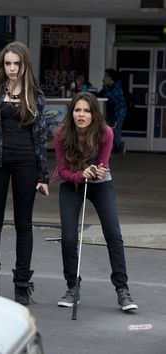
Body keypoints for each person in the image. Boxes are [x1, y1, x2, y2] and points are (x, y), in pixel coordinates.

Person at [0, 41, 49, 306]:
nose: (12, 68)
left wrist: (43, 176)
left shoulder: (35, 95)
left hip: (26, 165)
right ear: (2, 65)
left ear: (25, 64)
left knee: (23, 224)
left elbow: (41, 138)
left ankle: (21, 285)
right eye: (8, 63)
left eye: (17, 63)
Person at [53, 92, 138, 312]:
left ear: (94, 114)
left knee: (113, 233)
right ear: (72, 112)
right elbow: (62, 170)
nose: (81, 115)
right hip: (72, 182)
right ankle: (73, 286)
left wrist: (94, 172)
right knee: (69, 237)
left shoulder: (105, 132)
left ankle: (122, 289)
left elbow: (103, 165)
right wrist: (81, 175)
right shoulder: (62, 133)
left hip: (100, 183)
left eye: (86, 111)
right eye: (77, 110)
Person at [98, 68, 127, 154]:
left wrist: (105, 87)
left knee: (116, 129)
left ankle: (118, 147)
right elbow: (100, 94)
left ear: (111, 78)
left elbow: (112, 97)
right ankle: (117, 145)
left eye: (106, 76)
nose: (104, 78)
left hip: (119, 112)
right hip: (111, 112)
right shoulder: (107, 87)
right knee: (110, 129)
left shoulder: (117, 87)